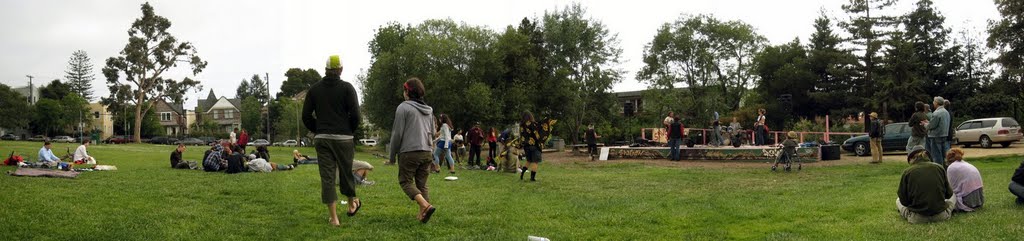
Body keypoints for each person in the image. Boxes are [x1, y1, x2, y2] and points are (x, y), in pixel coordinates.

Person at [302, 55, 363, 227]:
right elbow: (356, 115)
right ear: (341, 70)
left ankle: (334, 218)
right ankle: (351, 204)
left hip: (322, 138)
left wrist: (318, 128)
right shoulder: (347, 88)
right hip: (344, 138)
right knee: (346, 172)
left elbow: (306, 116)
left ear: (326, 69)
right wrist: (348, 130)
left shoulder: (314, 90)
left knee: (327, 177)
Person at [388, 77, 437, 224]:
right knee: (422, 184)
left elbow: (397, 134)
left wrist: (391, 157)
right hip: (427, 152)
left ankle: (425, 205)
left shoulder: (403, 107)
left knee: (405, 181)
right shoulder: (429, 110)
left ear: (407, 92)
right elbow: (433, 132)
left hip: (409, 152)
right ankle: (423, 214)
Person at [897, 145, 955, 224]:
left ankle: (909, 215)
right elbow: (949, 194)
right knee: (954, 196)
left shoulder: (907, 172)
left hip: (917, 218)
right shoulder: (939, 168)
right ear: (928, 156)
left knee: (898, 200)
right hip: (941, 215)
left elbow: (903, 200)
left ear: (911, 159)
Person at [925, 97, 951, 166]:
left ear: (936, 103)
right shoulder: (946, 112)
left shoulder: (936, 113)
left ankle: (939, 169)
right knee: (943, 154)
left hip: (935, 136)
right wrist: (929, 122)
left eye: (934, 101)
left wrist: (925, 124)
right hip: (944, 135)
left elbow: (932, 125)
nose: (933, 103)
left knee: (936, 155)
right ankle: (945, 169)